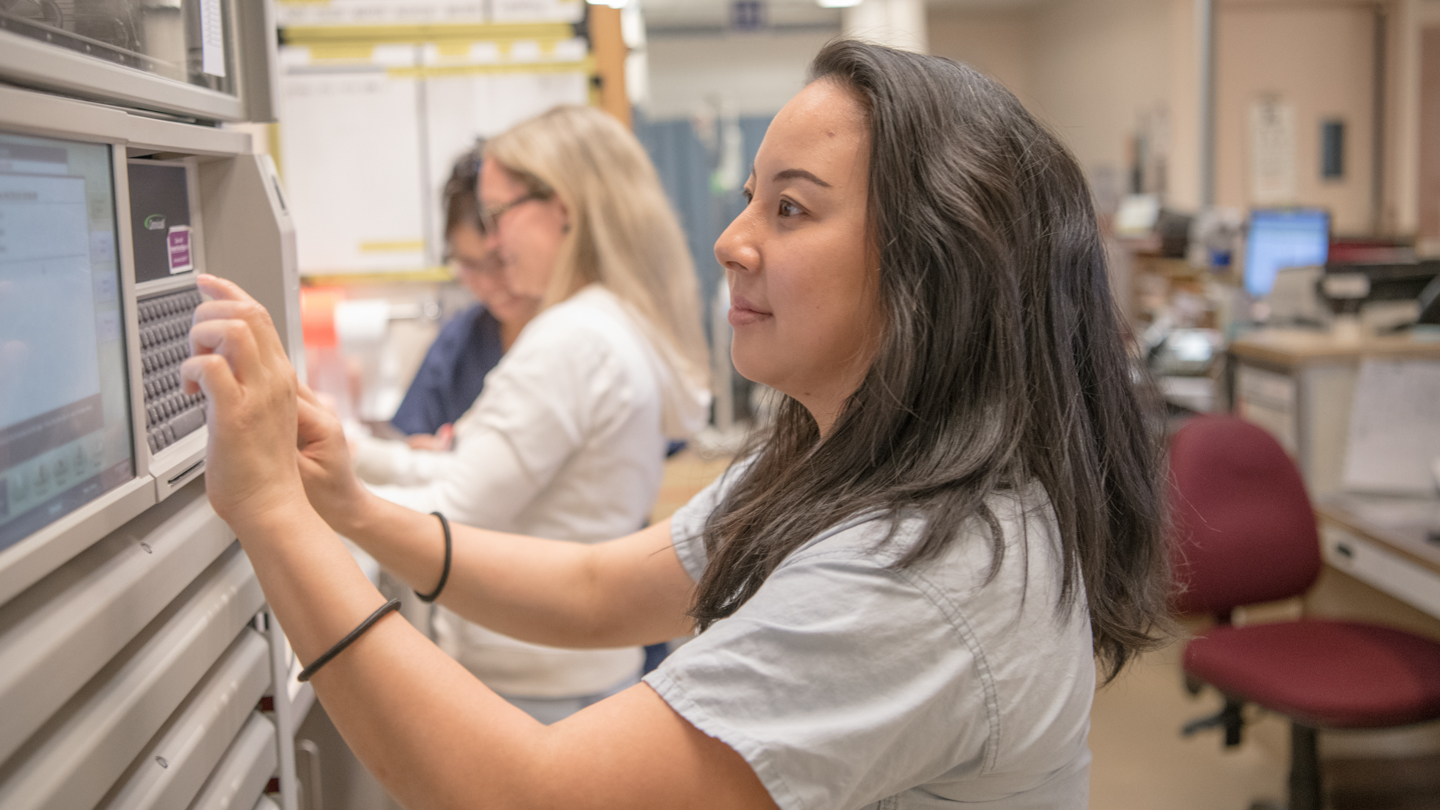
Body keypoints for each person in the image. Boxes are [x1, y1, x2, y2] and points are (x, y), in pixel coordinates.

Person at [185, 41, 1171, 809]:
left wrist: (272, 512)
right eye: (751, 200)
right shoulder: (838, 464)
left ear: (934, 260)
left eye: (790, 210)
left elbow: (531, 795)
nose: (732, 241)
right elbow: (595, 587)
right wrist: (350, 507)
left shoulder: (930, 572)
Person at [349, 106, 712, 723]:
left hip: (535, 681)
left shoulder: (571, 340)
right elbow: (465, 474)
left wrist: (316, 497)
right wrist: (349, 451)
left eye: (496, 217)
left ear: (563, 207)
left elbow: (450, 515)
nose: (491, 244)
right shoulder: (614, 323)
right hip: (573, 670)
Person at [380, 144, 537, 451]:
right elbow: (408, 442)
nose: (489, 282)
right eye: (468, 264)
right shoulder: (462, 342)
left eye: (500, 261)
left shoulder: (576, 336)